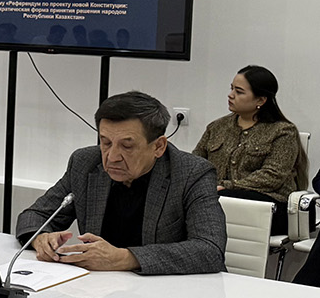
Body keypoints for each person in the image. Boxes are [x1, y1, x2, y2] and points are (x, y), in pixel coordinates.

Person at [15, 91, 226, 275]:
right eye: (105, 142)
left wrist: (125, 258)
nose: (112, 157)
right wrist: (40, 238)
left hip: (169, 294)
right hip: (98, 288)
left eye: (127, 146)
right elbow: (34, 215)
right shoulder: (85, 163)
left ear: (159, 146)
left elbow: (209, 250)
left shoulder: (192, 174)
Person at [192, 66, 306, 233]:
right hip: (219, 198)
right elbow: (196, 162)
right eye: (231, 88)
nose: (231, 95)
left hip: (268, 204)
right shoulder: (217, 127)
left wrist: (227, 186)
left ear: (260, 100)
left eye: (239, 92)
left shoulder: (283, 132)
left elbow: (272, 176)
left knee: (214, 202)